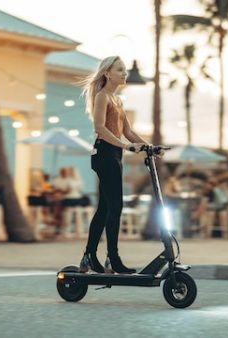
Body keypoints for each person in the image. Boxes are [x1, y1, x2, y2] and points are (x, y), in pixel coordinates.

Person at [78, 56, 153, 274]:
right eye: (119, 70)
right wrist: (127, 147)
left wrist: (149, 146)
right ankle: (113, 258)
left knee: (104, 208)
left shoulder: (118, 100)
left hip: (115, 155)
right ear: (107, 73)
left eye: (125, 70)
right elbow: (100, 128)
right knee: (115, 206)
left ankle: (88, 256)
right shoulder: (103, 97)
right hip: (104, 153)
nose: (124, 74)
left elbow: (128, 132)